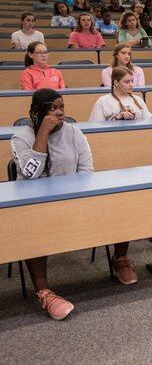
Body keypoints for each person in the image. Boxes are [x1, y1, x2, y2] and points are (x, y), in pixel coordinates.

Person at [11, 89, 94, 320]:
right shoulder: (21, 137)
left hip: (70, 200)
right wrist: (43, 133)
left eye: (62, 107)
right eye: (52, 109)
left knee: (117, 205)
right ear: (38, 112)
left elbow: (87, 172)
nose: (59, 113)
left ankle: (121, 260)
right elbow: (30, 174)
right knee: (33, 227)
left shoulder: (74, 133)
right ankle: (44, 292)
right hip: (34, 206)